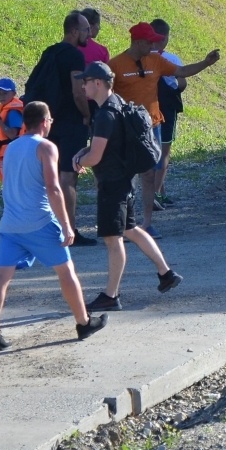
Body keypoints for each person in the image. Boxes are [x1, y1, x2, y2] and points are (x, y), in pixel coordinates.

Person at [0, 102, 106, 350]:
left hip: (10, 224)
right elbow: (52, 187)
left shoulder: (12, 147)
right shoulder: (46, 147)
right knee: (66, 271)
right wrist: (66, 225)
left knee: (1, 276)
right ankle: (83, 322)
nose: (51, 124)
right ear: (43, 121)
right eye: (50, 120)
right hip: (38, 221)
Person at [73, 62, 184, 309]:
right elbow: (107, 145)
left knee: (114, 241)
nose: (83, 86)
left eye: (86, 81)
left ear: (98, 83)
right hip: (125, 181)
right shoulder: (119, 104)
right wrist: (84, 151)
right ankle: (166, 273)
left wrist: (79, 161)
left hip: (112, 186)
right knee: (131, 230)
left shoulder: (104, 114)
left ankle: (111, 296)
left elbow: (96, 156)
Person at [108, 22, 220, 238]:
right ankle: (125, 224)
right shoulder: (116, 65)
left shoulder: (156, 60)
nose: (154, 43)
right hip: (126, 128)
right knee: (126, 176)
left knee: (149, 174)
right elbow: (105, 93)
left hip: (152, 126)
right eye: (150, 41)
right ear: (138, 42)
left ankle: (147, 223)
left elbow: (182, 71)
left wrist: (206, 63)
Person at [24, 12, 96, 246]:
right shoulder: (74, 56)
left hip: (49, 121)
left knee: (50, 177)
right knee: (68, 177)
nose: (89, 33)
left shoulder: (50, 51)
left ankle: (51, 228)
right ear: (74, 31)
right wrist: (87, 115)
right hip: (71, 122)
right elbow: (78, 91)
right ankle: (70, 231)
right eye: (85, 29)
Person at [151, 19, 184, 209]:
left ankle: (160, 192)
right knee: (164, 153)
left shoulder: (139, 58)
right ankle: (155, 193)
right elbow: (181, 84)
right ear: (165, 38)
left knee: (151, 149)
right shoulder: (171, 59)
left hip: (145, 108)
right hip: (166, 109)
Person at [0, 78, 25, 184]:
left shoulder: (13, 112)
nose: (1, 96)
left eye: (5, 93)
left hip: (10, 156)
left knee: (10, 186)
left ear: (14, 93)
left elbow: (13, 135)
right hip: (8, 154)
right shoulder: (6, 109)